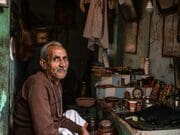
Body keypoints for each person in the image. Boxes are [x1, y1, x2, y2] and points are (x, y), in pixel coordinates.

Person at [13, 41, 89, 135]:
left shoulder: (56, 83)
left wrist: (80, 129)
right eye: (56, 59)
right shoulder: (37, 84)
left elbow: (58, 119)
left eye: (65, 59)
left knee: (72, 114)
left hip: (48, 128)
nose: (63, 64)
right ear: (44, 64)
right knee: (65, 132)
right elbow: (44, 132)